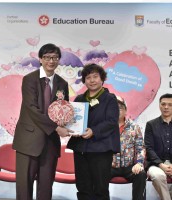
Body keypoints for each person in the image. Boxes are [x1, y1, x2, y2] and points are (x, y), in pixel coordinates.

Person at [13, 43, 72, 200]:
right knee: (24, 187)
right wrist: (56, 128)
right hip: (28, 141)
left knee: (46, 187)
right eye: (47, 57)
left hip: (50, 143)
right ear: (40, 59)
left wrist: (66, 123)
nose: (51, 61)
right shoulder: (29, 80)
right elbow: (32, 109)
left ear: (58, 60)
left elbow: (63, 109)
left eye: (55, 57)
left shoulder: (62, 84)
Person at [67, 63, 120, 200]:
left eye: (95, 76)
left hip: (101, 149)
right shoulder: (79, 99)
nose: (92, 80)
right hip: (80, 149)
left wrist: (94, 131)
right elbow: (73, 121)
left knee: (100, 189)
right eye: (88, 77)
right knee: (83, 187)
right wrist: (67, 125)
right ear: (84, 81)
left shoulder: (110, 99)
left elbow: (111, 121)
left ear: (102, 79)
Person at [111, 96, 147, 200]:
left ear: (126, 110)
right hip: (109, 166)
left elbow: (140, 148)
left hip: (129, 166)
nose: (117, 110)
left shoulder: (134, 127)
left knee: (141, 174)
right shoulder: (106, 126)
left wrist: (139, 163)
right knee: (97, 174)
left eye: (120, 108)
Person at [145, 93, 172, 200]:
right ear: (159, 105)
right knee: (158, 176)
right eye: (163, 104)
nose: (166, 107)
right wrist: (161, 165)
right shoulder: (151, 124)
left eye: (170, 105)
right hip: (156, 164)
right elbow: (149, 148)